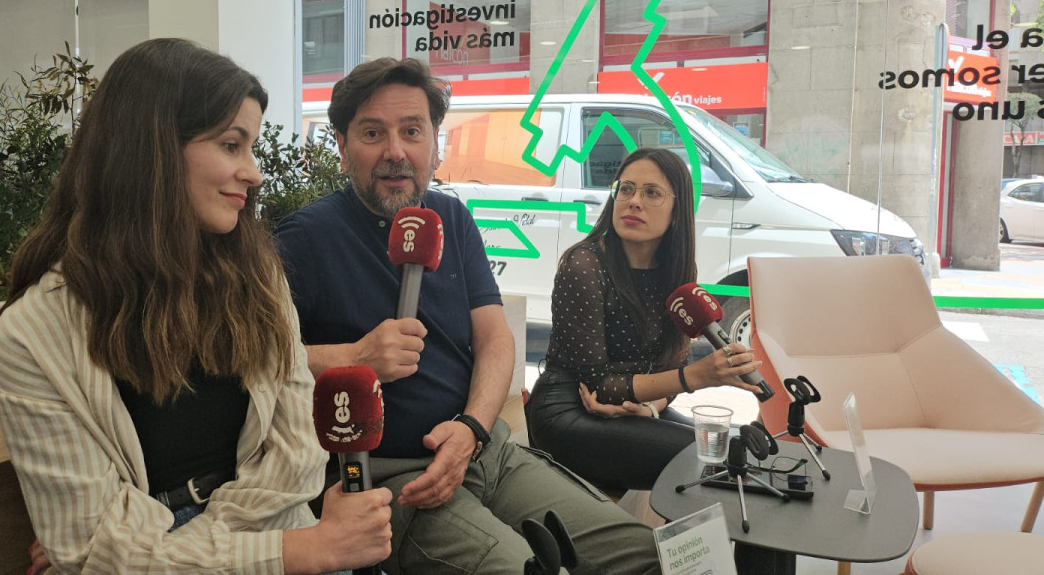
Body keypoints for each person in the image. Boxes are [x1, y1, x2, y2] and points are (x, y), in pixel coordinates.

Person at [0, 38, 391, 573]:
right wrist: (298, 551)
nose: (254, 172)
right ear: (150, 150)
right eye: (231, 145)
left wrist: (184, 552)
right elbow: (93, 550)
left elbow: (298, 455)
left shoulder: (259, 277)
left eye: (251, 148)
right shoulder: (33, 334)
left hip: (266, 533)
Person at [275, 57, 661, 574]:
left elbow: (495, 339)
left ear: (434, 144)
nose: (395, 152)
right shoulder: (303, 239)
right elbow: (256, 364)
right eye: (372, 133)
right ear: (342, 149)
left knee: (645, 553)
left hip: (484, 450)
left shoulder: (451, 218)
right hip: (390, 478)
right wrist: (353, 355)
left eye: (412, 131)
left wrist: (473, 428)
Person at [526, 147, 765, 492]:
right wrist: (699, 376)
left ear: (677, 210)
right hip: (568, 412)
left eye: (651, 193)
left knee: (739, 449)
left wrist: (651, 407)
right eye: (626, 189)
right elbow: (597, 386)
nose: (634, 202)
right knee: (718, 459)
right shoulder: (584, 265)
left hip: (631, 408)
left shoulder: (677, 272)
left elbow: (670, 364)